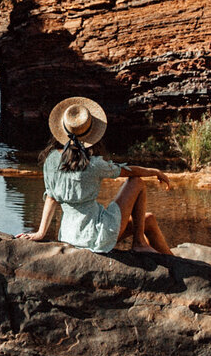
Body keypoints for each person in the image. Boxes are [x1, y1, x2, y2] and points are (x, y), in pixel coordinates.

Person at [23, 96, 174, 255]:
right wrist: (155, 171)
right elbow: (130, 171)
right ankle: (139, 242)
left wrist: (41, 233)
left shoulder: (51, 160)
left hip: (70, 236)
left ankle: (174, 262)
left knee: (148, 219)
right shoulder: (93, 164)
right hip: (98, 234)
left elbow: (51, 197)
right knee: (136, 182)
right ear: (90, 134)